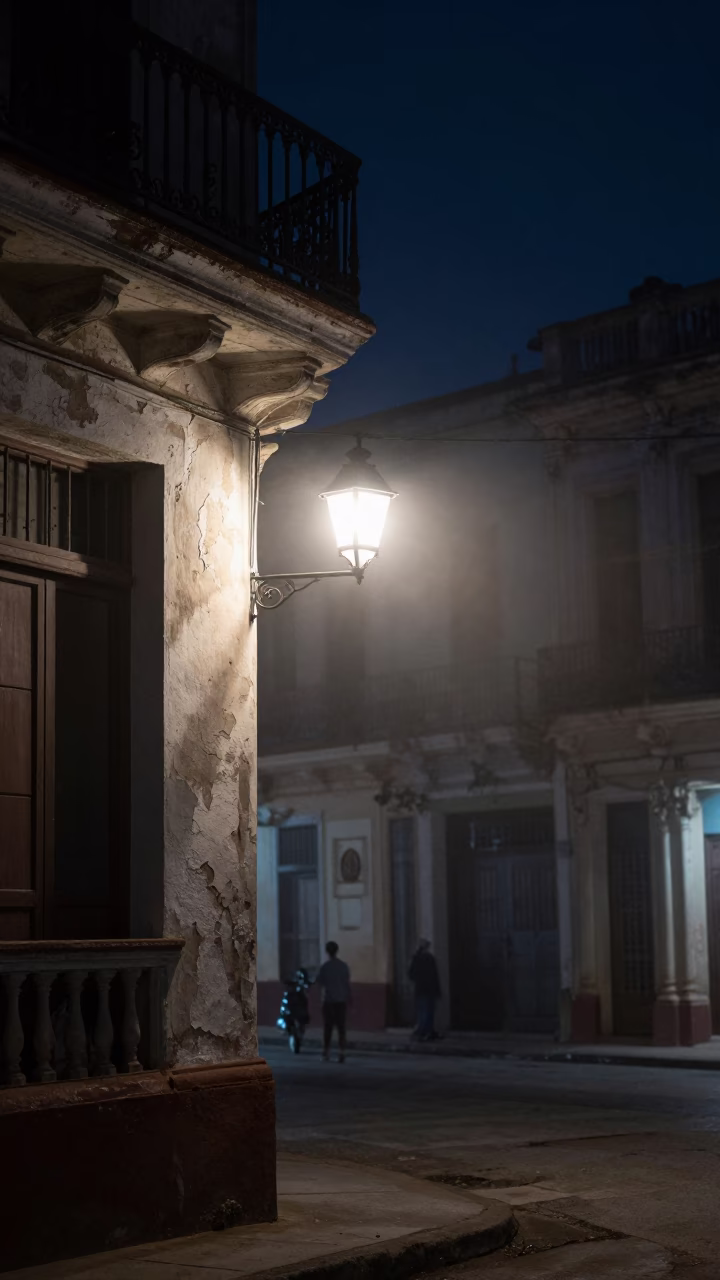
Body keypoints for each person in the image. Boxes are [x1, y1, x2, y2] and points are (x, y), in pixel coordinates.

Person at [316, 940, 351, 1062]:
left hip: (329, 1001)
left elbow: (320, 982)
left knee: (328, 1028)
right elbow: (347, 984)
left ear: (327, 952)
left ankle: (326, 1052)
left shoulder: (325, 967)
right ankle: (342, 1052)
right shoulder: (344, 966)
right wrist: (349, 999)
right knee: (341, 1028)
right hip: (341, 1000)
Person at [409, 939, 441, 1041]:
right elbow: (435, 976)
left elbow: (411, 974)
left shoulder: (415, 958)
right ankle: (426, 1032)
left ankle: (423, 1032)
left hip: (420, 989)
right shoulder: (430, 958)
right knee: (428, 1011)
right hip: (430, 990)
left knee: (422, 1011)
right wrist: (437, 991)